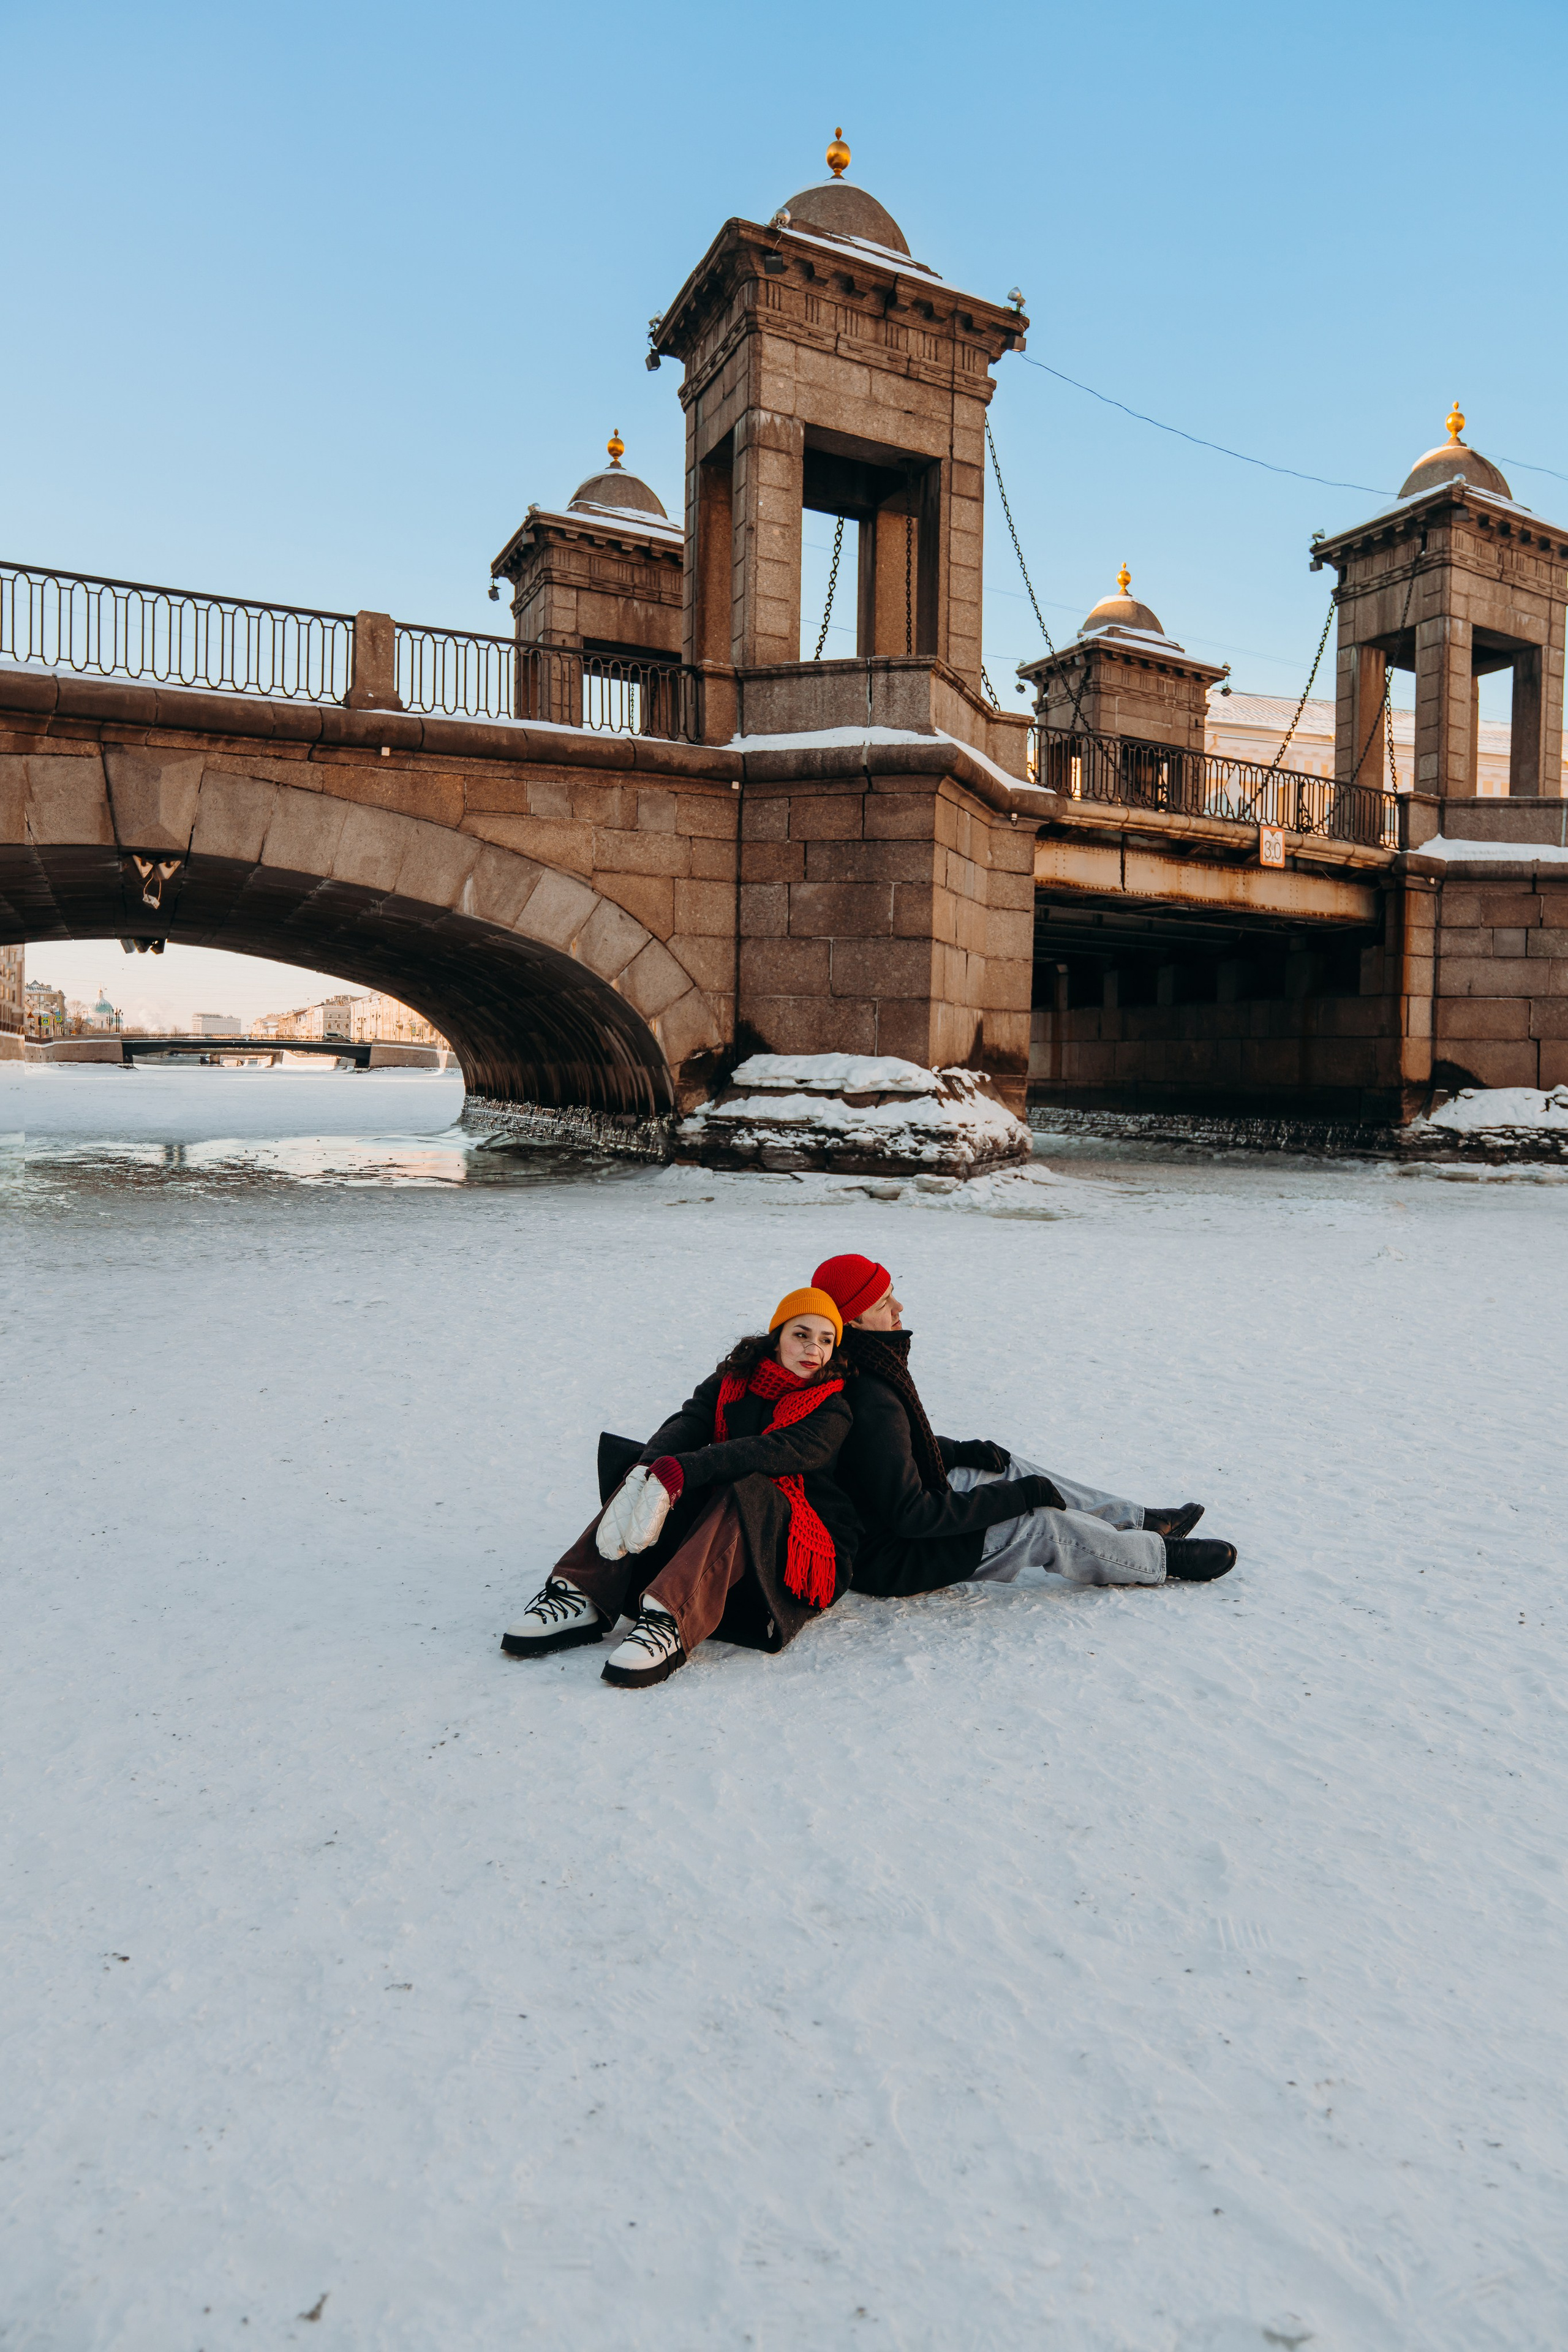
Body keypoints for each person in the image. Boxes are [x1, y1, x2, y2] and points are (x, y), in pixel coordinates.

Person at [809, 1253, 1237, 1599]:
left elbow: (884, 1457)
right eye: (884, 1304)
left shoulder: (862, 1367)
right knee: (1038, 1523)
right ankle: (1158, 1557)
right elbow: (910, 1515)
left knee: (1001, 1467)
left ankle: (1138, 1519)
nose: (899, 1307)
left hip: (883, 1525)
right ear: (853, 1321)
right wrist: (1014, 1498)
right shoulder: (869, 1397)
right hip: (893, 1559)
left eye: (893, 1295)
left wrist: (958, 1451)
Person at [501, 1287, 860, 1688]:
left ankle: (669, 1617)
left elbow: (769, 1452)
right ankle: (582, 1591)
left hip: (797, 1541)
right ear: (777, 1336)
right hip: (726, 1528)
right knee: (648, 1468)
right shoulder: (734, 1378)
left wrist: (687, 1469)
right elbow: (690, 1422)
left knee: (744, 1483)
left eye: (826, 1340)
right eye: (801, 1334)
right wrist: (649, 1470)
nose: (813, 1348)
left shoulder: (832, 1406)